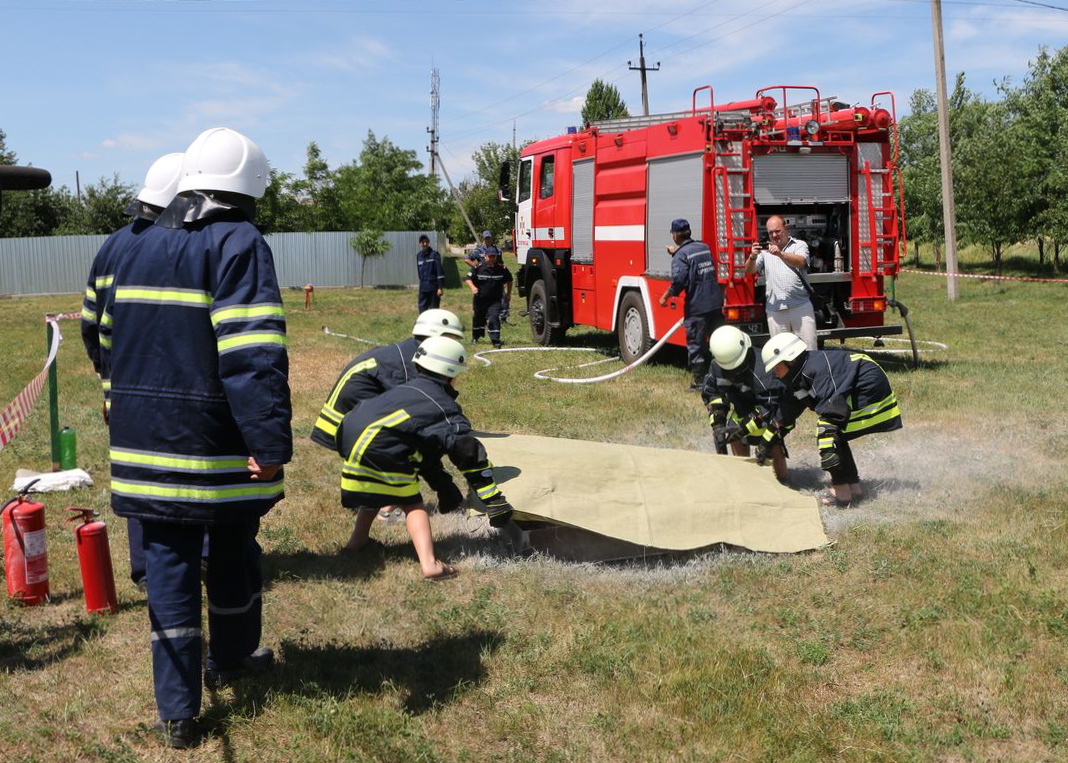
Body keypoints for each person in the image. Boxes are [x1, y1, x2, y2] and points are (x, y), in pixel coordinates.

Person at [108, 127, 292, 749]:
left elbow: (107, 345)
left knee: (169, 576)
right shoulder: (240, 242)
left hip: (140, 449)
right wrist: (268, 445)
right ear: (250, 189)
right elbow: (251, 354)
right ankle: (234, 657)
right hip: (215, 450)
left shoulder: (133, 246)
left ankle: (179, 715)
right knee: (234, 556)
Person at [80, 151, 184, 594]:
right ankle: (195, 557)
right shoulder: (179, 247)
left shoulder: (112, 246)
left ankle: (147, 569)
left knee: (139, 473)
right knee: (183, 468)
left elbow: (91, 324)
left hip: (122, 388)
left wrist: (109, 383)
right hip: (177, 389)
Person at [336, 335, 516, 580]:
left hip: (350, 436)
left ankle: (357, 543)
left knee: (381, 490)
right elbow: (466, 451)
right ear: (451, 372)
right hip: (379, 445)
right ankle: (430, 564)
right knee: (411, 502)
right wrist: (492, 498)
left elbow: (424, 452)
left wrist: (443, 485)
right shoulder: (442, 405)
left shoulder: (408, 391)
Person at [310, 308, 464, 540]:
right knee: (396, 451)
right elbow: (416, 423)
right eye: (451, 339)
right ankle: (386, 508)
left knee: (392, 450)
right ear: (437, 337)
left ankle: (371, 518)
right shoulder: (410, 364)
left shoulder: (409, 352)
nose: (452, 345)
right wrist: (442, 482)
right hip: (346, 424)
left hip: (349, 422)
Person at [761, 332, 902, 508]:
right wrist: (769, 436)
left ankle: (841, 493)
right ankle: (853, 487)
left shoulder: (816, 369)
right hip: (860, 387)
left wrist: (829, 434)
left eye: (776, 366)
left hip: (869, 389)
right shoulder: (799, 375)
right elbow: (789, 408)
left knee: (828, 432)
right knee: (834, 432)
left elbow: (832, 403)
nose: (775, 372)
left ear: (790, 360)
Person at [704, 325, 799, 483]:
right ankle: (744, 478)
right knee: (733, 430)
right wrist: (717, 424)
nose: (732, 374)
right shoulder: (718, 365)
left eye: (737, 367)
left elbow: (772, 405)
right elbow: (712, 394)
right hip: (742, 407)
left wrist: (749, 426)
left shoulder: (763, 367)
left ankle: (783, 482)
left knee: (771, 442)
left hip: (771, 413)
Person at [658, 218, 724, 389]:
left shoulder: (681, 255)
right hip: (715, 302)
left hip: (697, 306)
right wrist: (677, 253)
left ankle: (699, 381)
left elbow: (680, 280)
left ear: (674, 235)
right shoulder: (703, 247)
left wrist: (665, 296)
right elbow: (694, 263)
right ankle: (724, 377)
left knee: (696, 343)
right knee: (718, 341)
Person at [746, 215, 818, 351]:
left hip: (800, 307)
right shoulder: (765, 250)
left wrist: (780, 254)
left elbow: (801, 262)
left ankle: (810, 373)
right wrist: (752, 256)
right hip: (775, 310)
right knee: (780, 353)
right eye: (770, 232)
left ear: (786, 229)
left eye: (777, 231)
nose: (774, 235)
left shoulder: (799, 245)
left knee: (809, 350)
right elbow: (749, 270)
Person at [465, 248, 512, 348]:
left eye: (493, 257)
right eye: (490, 256)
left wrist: (508, 294)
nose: (491, 259)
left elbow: (509, 279)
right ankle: (475, 337)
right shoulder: (478, 267)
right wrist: (473, 287)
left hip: (495, 299)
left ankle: (495, 340)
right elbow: (468, 278)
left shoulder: (501, 268)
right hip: (480, 299)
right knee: (478, 318)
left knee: (494, 317)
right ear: (485, 256)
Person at [416, 234, 444, 311]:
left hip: (433, 289)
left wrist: (440, 287)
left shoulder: (434, 255)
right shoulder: (419, 256)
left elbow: (440, 272)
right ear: (420, 243)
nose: (424, 244)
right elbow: (419, 273)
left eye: (426, 242)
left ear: (428, 242)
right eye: (422, 242)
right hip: (423, 289)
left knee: (434, 311)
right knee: (422, 310)